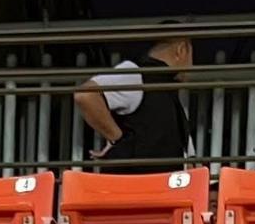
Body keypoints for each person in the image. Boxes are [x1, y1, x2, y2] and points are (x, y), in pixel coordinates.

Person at [74, 32, 195, 174]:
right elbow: (86, 94)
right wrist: (117, 139)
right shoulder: (136, 74)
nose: (192, 66)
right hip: (134, 182)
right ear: (182, 50)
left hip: (162, 184)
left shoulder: (168, 93)